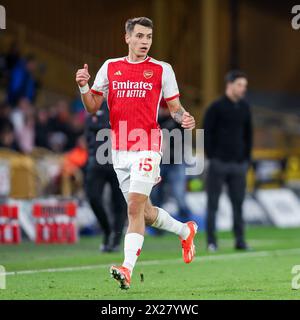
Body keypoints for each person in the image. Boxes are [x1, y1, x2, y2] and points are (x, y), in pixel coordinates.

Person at [75, 17, 197, 290]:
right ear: (127, 38)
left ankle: (126, 269)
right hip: (118, 150)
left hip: (148, 146)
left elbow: (174, 107)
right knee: (145, 212)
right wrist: (83, 86)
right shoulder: (110, 67)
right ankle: (185, 230)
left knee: (133, 208)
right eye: (140, 36)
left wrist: (183, 117)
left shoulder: (161, 69)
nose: (145, 42)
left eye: (149, 37)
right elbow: (92, 107)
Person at [203, 70, 253, 252]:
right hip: (219, 163)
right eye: (240, 85)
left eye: (244, 86)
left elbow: (248, 134)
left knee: (238, 203)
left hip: (238, 164)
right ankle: (211, 241)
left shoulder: (245, 107)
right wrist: (212, 157)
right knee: (213, 203)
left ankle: (240, 240)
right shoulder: (216, 107)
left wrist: (246, 159)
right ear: (229, 85)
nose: (243, 89)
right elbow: (206, 133)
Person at [85, 102, 127, 252]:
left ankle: (115, 239)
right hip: (97, 161)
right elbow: (89, 130)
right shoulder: (95, 107)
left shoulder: (124, 106)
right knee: (93, 198)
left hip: (119, 161)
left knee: (120, 204)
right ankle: (107, 230)